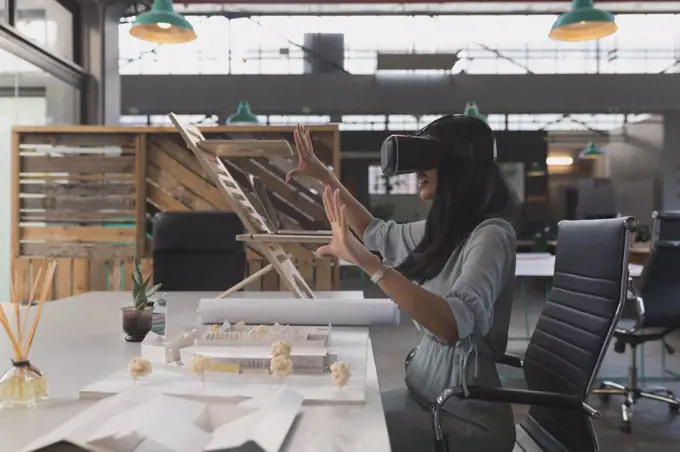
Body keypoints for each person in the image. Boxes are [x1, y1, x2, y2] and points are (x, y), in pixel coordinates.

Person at [288, 116, 518, 452]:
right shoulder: (447, 229)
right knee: (327, 419)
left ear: (460, 167)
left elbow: (451, 324)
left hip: (462, 418)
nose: (418, 172)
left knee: (335, 438)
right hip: (427, 396)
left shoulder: (491, 236)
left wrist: (369, 264)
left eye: (429, 163)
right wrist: (324, 175)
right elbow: (375, 233)